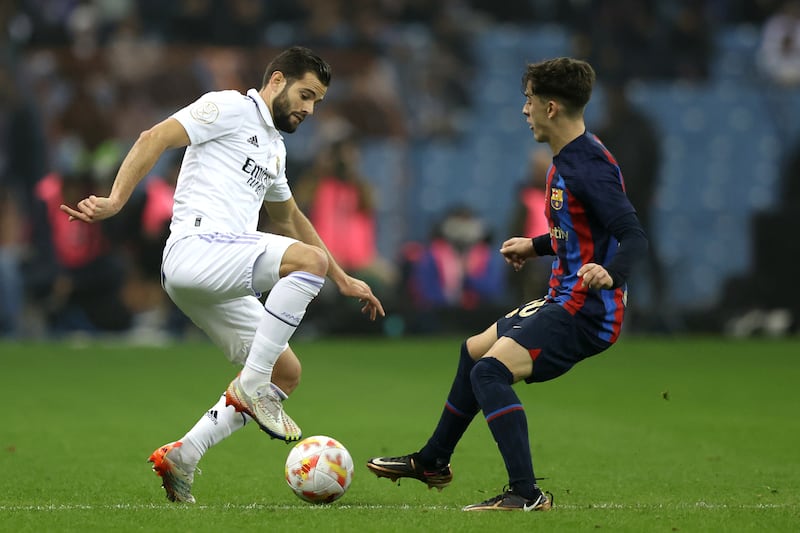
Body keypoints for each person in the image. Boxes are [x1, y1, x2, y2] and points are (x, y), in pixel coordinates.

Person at [60, 46, 385, 504]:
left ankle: (184, 456)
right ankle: (252, 386)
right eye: (305, 95)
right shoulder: (230, 107)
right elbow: (154, 136)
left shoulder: (274, 148)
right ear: (276, 81)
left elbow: (290, 216)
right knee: (305, 266)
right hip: (196, 249)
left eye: (317, 102)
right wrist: (115, 201)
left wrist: (344, 277)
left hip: (220, 272)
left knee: (286, 372)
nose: (309, 109)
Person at [366, 57, 648, 512]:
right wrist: (535, 246)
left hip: (588, 310)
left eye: (529, 101)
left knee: (490, 372)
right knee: (474, 350)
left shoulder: (588, 166)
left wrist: (611, 273)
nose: (524, 110)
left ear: (551, 107)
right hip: (562, 298)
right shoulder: (567, 160)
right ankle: (434, 460)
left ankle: (526, 493)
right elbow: (578, 232)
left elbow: (633, 235)